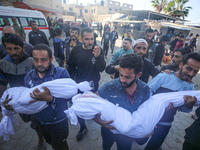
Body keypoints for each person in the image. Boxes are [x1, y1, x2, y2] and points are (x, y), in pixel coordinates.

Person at [95, 53, 150, 150]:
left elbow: (147, 111)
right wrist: (97, 120)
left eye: (128, 77)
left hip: (128, 135)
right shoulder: (109, 86)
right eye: (121, 75)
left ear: (138, 75)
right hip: (109, 130)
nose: (122, 80)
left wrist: (149, 127)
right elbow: (93, 101)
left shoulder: (145, 89)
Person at [145, 52, 200, 150]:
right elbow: (146, 93)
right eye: (189, 68)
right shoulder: (164, 76)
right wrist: (158, 106)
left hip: (165, 123)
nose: (191, 74)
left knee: (153, 146)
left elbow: (183, 109)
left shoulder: (189, 86)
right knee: (140, 140)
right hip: (149, 117)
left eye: (195, 71)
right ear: (181, 65)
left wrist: (188, 106)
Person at [0, 33, 46, 150]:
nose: (13, 52)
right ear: (5, 48)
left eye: (16, 48)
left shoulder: (33, 62)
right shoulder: (3, 64)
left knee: (36, 122)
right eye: (9, 49)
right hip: (17, 100)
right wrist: (2, 103)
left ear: (23, 48)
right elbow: (3, 84)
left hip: (34, 98)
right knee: (26, 119)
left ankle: (41, 139)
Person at [24, 43, 70, 150]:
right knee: (50, 142)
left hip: (59, 122)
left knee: (60, 146)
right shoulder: (28, 77)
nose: (39, 63)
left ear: (51, 59)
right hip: (40, 121)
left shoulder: (61, 74)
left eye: (43, 59)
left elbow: (70, 97)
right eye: (36, 59)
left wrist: (50, 98)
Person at [67, 27, 106, 141]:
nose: (90, 42)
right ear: (81, 38)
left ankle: (91, 116)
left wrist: (98, 57)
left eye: (92, 39)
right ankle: (83, 128)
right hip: (79, 85)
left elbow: (101, 69)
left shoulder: (98, 50)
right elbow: (70, 66)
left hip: (94, 85)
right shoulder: (76, 50)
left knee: (92, 107)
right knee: (79, 108)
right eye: (87, 39)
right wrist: (72, 81)